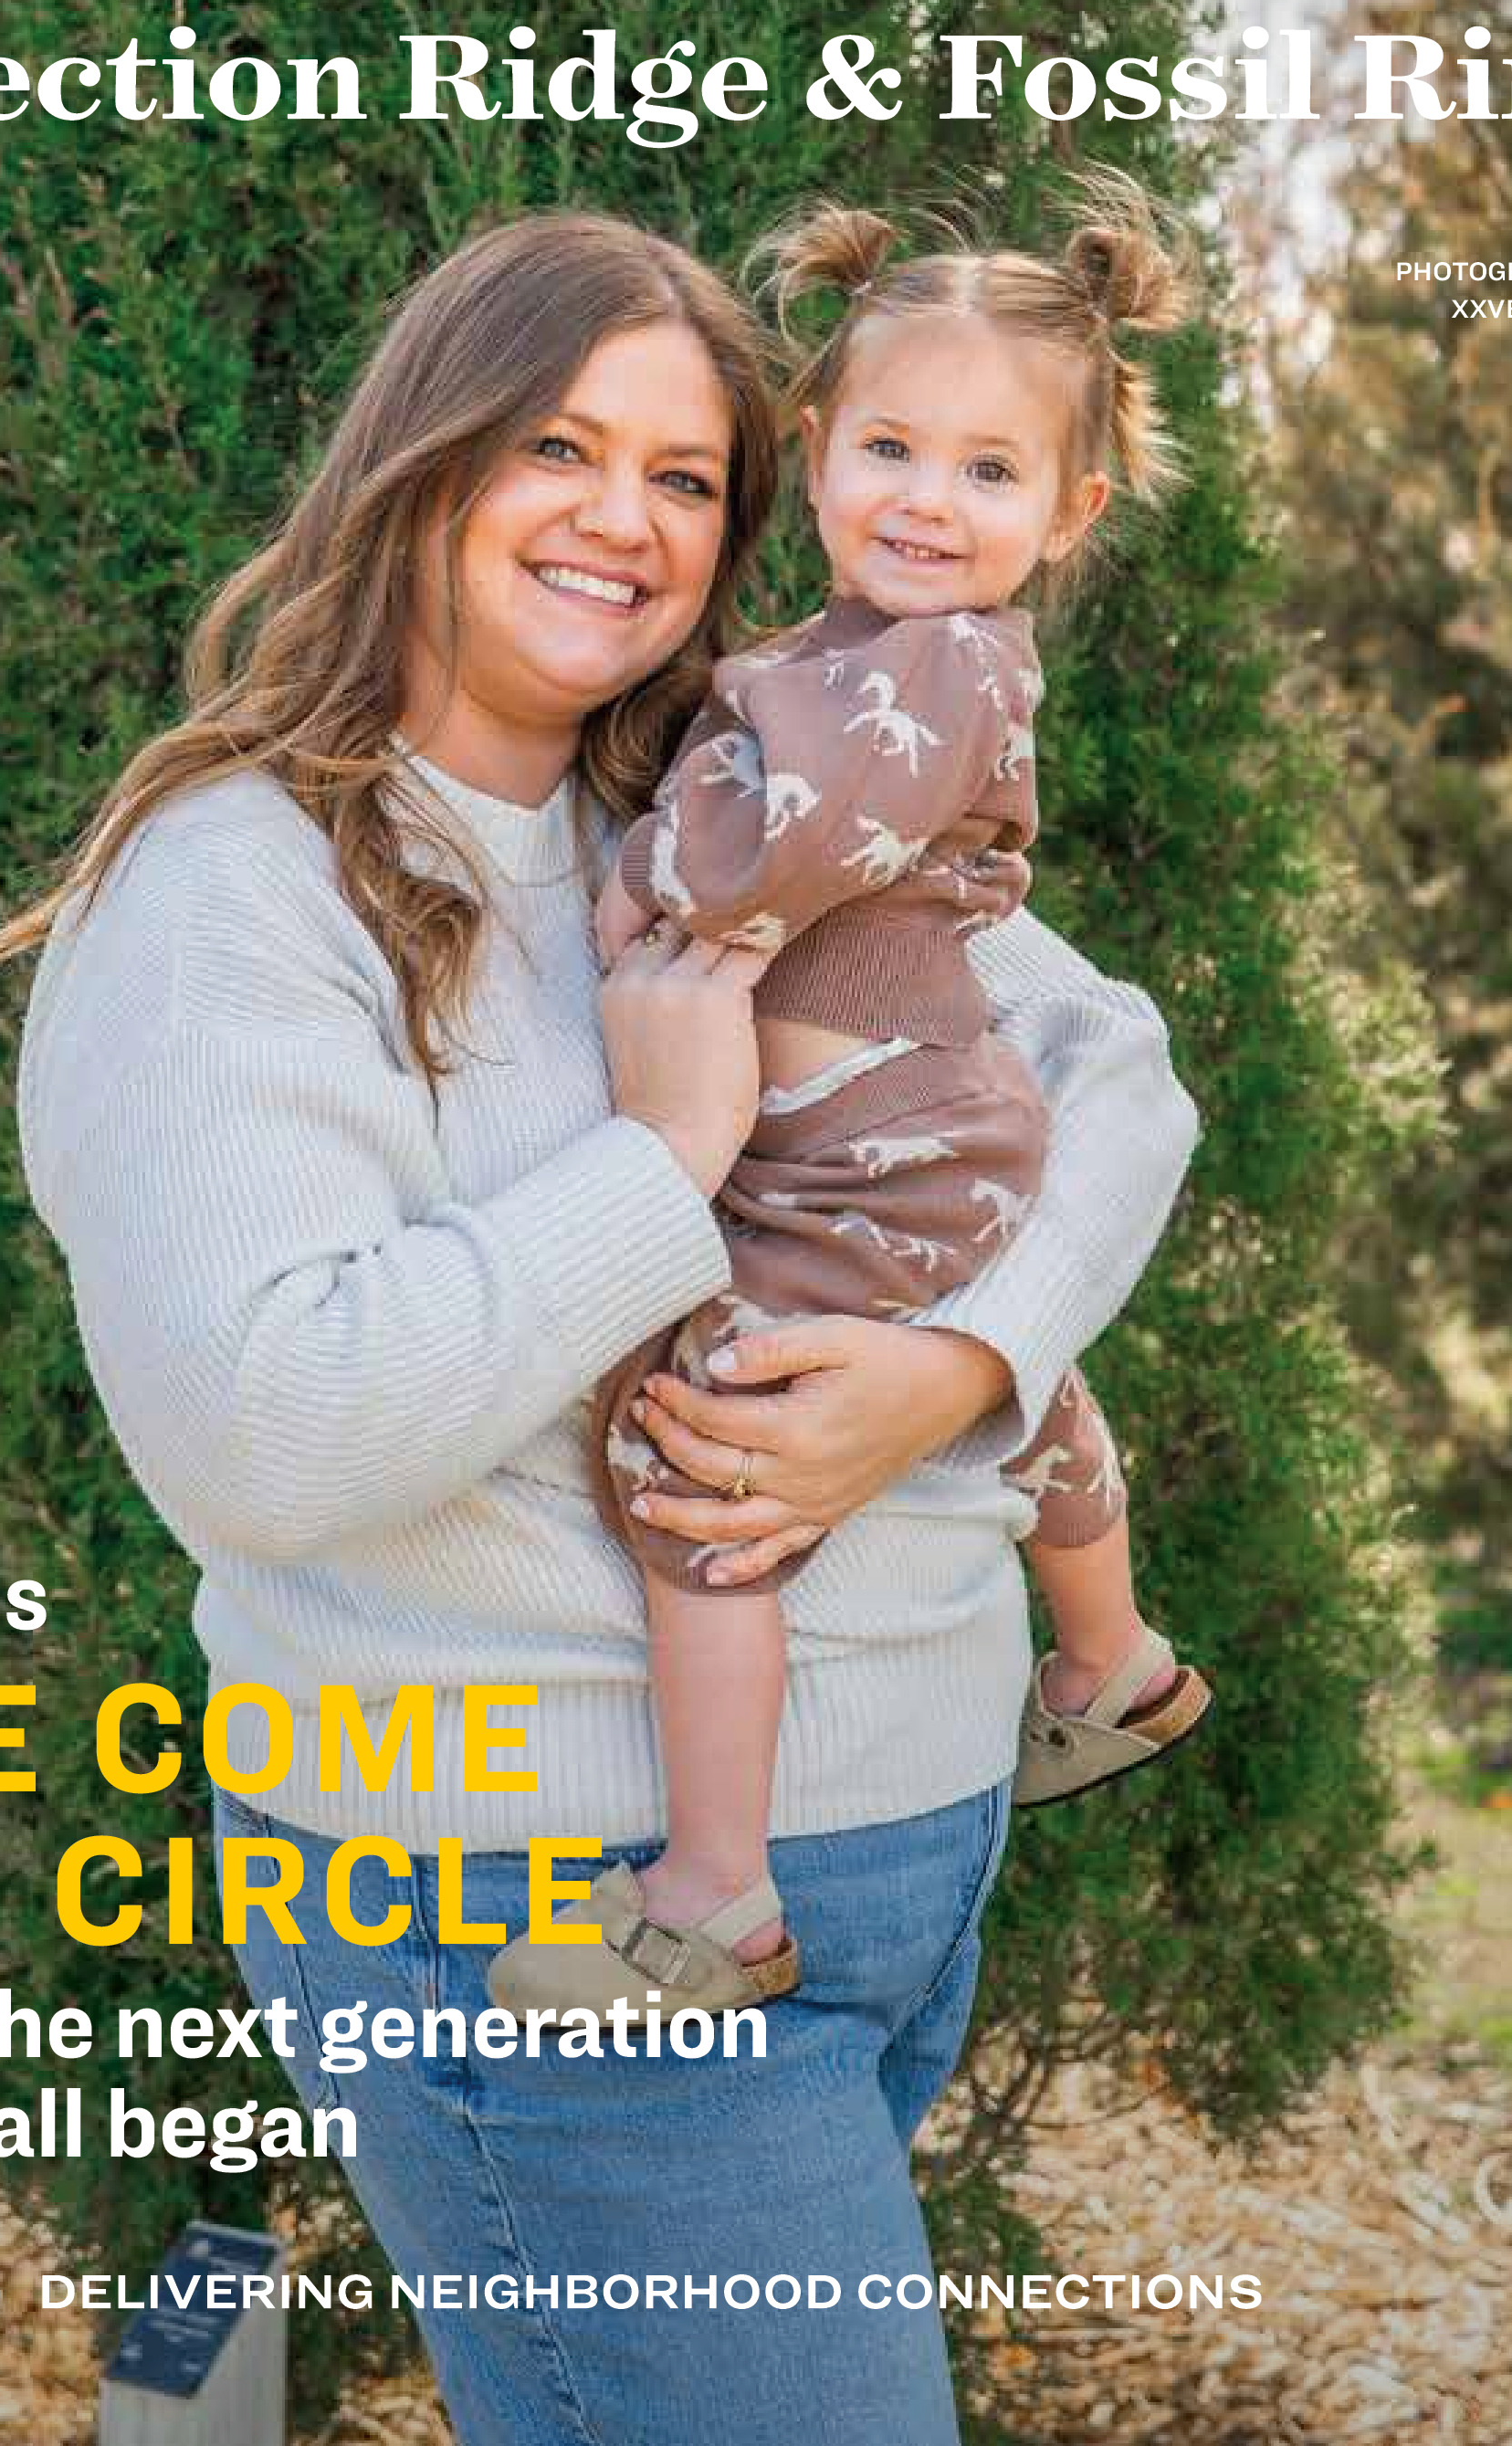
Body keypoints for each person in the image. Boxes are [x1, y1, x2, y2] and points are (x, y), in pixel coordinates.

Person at [0, 209, 1201, 2446]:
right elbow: (268, 1430)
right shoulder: (240, 883)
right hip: (540, 1913)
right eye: (555, 444)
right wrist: (658, 1164)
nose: (623, 519)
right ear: (417, 464)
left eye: (687, 475)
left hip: (897, 1855)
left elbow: (1116, 1080)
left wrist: (963, 1362)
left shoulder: (710, 817)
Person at [488, 182, 1211, 2029]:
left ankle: (717, 1891)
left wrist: (651, 899)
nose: (926, 499)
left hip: (876, 1131)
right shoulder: (854, 655)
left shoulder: (940, 666)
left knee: (696, 1465)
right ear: (810, 457)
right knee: (1007, 1372)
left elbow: (797, 846)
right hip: (912, 1125)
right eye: (891, 445)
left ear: (1071, 514)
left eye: (988, 472)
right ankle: (1114, 1657)